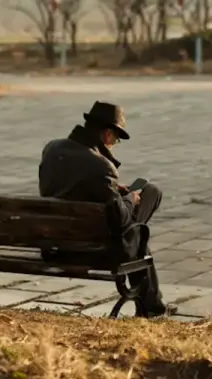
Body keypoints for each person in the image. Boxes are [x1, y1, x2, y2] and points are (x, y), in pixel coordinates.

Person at [38, 101, 175, 317]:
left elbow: (68, 187)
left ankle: (153, 307)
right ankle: (152, 308)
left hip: (55, 245)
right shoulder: (101, 165)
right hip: (94, 249)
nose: (114, 144)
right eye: (116, 139)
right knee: (146, 208)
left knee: (136, 234)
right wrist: (130, 198)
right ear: (107, 134)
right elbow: (120, 218)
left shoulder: (52, 149)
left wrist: (112, 189)